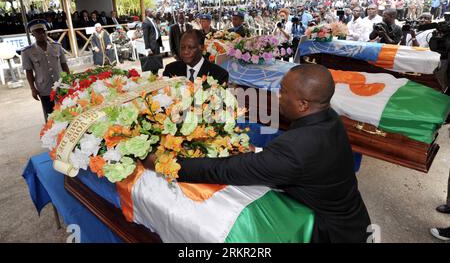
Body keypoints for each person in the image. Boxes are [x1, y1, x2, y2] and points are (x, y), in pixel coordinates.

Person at [146, 64, 372, 243]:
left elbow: (224, 170)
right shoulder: (329, 118)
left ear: (303, 104)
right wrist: (261, 151)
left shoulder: (297, 148)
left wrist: (166, 164)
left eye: (283, 92)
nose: (278, 96)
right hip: (353, 216)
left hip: (333, 233)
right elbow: (305, 161)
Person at [21, 19, 70, 121]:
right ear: (33, 34)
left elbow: (64, 65)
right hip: (44, 87)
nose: (42, 34)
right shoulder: (27, 52)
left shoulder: (57, 47)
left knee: (67, 109)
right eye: (38, 32)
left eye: (43, 31)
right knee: (50, 113)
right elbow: (29, 72)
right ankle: (52, 133)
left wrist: (69, 80)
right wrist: (33, 89)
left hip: (61, 83)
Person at [163, 29, 228, 85]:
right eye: (182, 47)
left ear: (202, 48)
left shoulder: (219, 74)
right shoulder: (170, 70)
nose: (185, 52)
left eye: (190, 47)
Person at [142, 8, 162, 74]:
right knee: (152, 61)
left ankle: (156, 73)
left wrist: (160, 43)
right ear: (147, 13)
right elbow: (145, 36)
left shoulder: (153, 20)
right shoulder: (145, 22)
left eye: (153, 11)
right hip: (151, 45)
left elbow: (157, 32)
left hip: (157, 43)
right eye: (152, 11)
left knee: (157, 59)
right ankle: (153, 74)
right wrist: (147, 48)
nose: (153, 12)